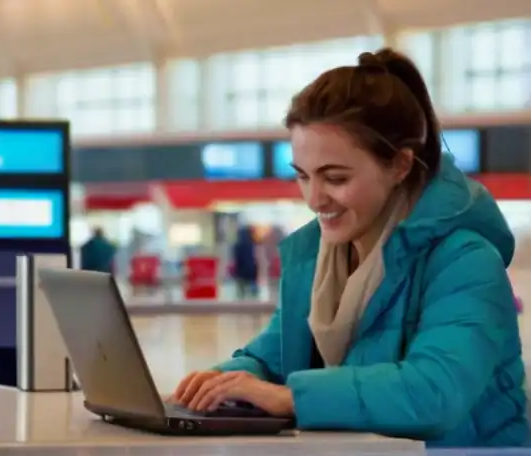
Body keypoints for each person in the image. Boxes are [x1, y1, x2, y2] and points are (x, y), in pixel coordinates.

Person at [171, 48, 528, 447]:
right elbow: (272, 357)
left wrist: (291, 398)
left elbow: (434, 393)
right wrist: (223, 380)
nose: (314, 199)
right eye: (303, 177)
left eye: (335, 178)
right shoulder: (317, 257)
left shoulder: (465, 261)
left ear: (400, 166)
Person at [232, 225, 259, 298]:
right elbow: (255, 258)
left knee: (241, 293)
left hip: (241, 271)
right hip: (251, 270)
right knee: (253, 293)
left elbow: (237, 259)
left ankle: (241, 305)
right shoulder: (252, 244)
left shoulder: (237, 246)